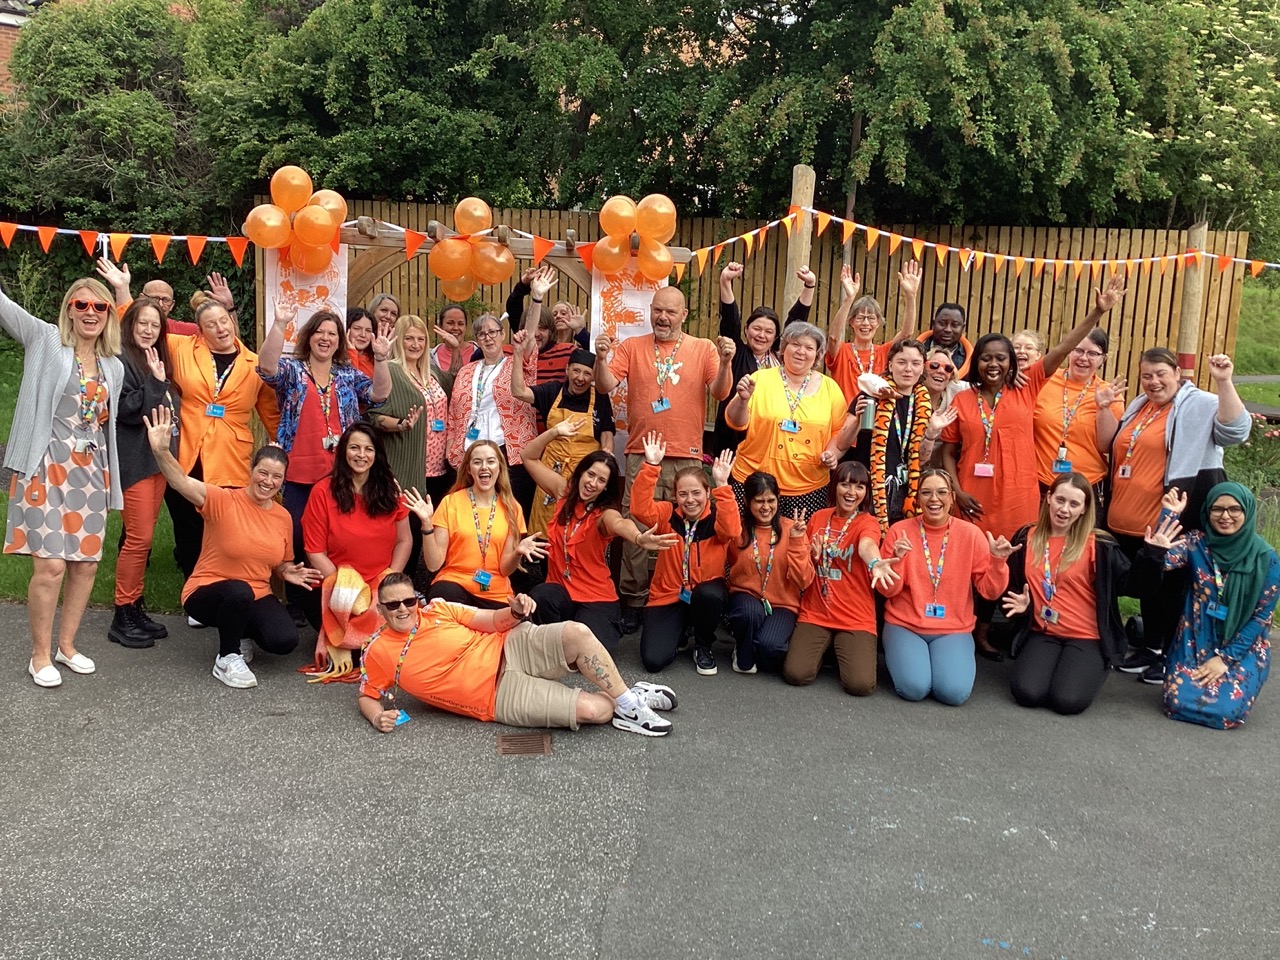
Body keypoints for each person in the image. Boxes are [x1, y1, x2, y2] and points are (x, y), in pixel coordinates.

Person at [940, 275, 1127, 659]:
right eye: (986, 358)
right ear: (976, 363)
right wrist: (957, 492)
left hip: (1019, 498)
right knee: (974, 563)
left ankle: (1011, 631)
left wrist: (1097, 312)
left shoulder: (1028, 387)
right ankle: (966, 629)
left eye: (1001, 357)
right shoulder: (962, 399)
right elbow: (947, 451)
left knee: (1016, 563)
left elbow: (1064, 348)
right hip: (973, 498)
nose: (993, 364)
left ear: (1012, 362)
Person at [357, 572, 677, 736]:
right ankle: (630, 697)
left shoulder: (438, 609)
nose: (403, 609)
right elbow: (367, 696)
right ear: (380, 609)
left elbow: (490, 621)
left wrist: (514, 611)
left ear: (417, 600)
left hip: (509, 646)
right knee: (594, 711)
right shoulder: (377, 651)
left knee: (577, 633)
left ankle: (629, 704)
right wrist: (376, 717)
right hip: (497, 697)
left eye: (409, 601)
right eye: (393, 604)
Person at [143, 406, 322, 689]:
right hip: (208, 590)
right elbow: (180, 482)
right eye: (263, 473)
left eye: (276, 477)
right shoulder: (223, 500)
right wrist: (161, 451)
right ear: (251, 471)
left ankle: (239, 632)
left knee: (284, 641)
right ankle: (227, 657)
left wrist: (286, 571)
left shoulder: (283, 517)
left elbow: (281, 562)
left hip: (255, 593)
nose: (268, 481)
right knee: (239, 591)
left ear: (283, 480)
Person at [1, 279, 123, 687]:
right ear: (69, 309)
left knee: (85, 565)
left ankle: (66, 646)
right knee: (51, 565)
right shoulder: (46, 340)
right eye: (81, 304)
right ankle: (39, 655)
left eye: (99, 307)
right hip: (45, 465)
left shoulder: (113, 366)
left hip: (90, 472)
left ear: (108, 315)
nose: (90, 312)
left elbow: (103, 422)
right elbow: (6, 309)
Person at [593, 286, 735, 632]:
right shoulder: (632, 346)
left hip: (687, 456)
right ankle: (634, 602)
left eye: (671, 312)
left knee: (687, 530)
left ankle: (682, 597)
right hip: (643, 453)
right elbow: (606, 384)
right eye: (657, 310)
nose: (663, 317)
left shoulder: (702, 348)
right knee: (637, 529)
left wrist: (726, 361)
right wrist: (600, 358)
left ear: (683, 315)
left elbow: (720, 392)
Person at [1108, 349, 1251, 684]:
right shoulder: (1140, 406)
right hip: (1133, 518)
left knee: (1172, 587)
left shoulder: (1199, 403)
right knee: (1151, 586)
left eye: (1161, 374)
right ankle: (1151, 648)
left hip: (1174, 515)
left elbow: (1236, 431)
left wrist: (1224, 382)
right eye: (1147, 375)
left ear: (1176, 373)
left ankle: (1172, 656)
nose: (1154, 382)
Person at [257, 303, 393, 616]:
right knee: (296, 538)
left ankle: (334, 598)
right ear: (309, 336)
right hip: (298, 472)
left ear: (339, 341)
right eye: (320, 332)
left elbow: (379, 394)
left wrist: (381, 358)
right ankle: (298, 601)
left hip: (340, 474)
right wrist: (279, 324)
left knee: (333, 538)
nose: (326, 338)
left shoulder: (347, 374)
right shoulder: (293, 370)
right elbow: (267, 368)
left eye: (332, 334)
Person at [518, 421, 678, 651]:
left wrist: (638, 538)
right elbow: (528, 457)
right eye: (590, 474)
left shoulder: (604, 514)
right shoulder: (563, 491)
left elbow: (620, 524)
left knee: (589, 650)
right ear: (581, 472)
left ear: (605, 487)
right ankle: (555, 643)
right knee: (542, 595)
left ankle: (569, 640)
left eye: (601, 480)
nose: (592, 483)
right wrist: (554, 432)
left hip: (596, 597)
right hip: (561, 593)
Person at [161, 298, 280, 581]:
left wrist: (284, 449)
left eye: (224, 321)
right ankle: (194, 588)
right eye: (211, 325)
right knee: (188, 528)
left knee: (225, 528)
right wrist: (122, 292)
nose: (220, 328)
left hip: (230, 456)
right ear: (200, 331)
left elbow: (271, 414)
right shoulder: (181, 347)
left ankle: (225, 583)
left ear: (232, 321)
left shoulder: (255, 364)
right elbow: (141, 327)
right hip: (187, 453)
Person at [877, 469, 1017, 705]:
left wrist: (998, 562)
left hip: (954, 628)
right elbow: (887, 591)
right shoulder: (899, 531)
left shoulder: (971, 534)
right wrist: (898, 560)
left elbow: (989, 591)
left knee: (953, 693)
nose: (934, 499)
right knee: (914, 688)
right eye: (926, 493)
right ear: (917, 499)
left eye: (942, 492)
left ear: (952, 497)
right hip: (905, 624)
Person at [1143, 485, 1277, 729]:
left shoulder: (1266, 557)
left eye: (1234, 509)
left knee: (1226, 711)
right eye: (1217, 509)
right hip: (1195, 634)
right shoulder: (1196, 544)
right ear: (1208, 511)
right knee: (1177, 703)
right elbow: (1163, 559)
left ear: (1247, 512)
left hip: (1241, 643)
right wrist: (1169, 514)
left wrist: (1225, 659)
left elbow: (1262, 617)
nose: (1225, 516)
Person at [1000, 472, 1132, 715]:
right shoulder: (1026, 537)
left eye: (1074, 504)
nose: (1064, 509)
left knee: (1066, 701)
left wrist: (1153, 555)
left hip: (1087, 636)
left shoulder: (1099, 545)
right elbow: (1009, 591)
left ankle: (1094, 664)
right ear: (1049, 498)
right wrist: (1023, 607)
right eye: (1060, 500)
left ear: (1084, 509)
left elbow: (1133, 586)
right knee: (1027, 693)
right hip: (1043, 631)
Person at [302, 423, 410, 671]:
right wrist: (347, 591)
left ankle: (360, 632)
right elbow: (315, 551)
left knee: (381, 652)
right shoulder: (322, 492)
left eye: (368, 449)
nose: (361, 455)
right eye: (354, 448)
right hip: (335, 585)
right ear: (343, 451)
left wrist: (389, 580)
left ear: (377, 454)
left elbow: (404, 540)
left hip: (380, 583)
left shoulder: (390, 490)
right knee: (364, 651)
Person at [630, 437, 739, 675]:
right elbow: (639, 509)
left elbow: (732, 531)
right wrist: (651, 466)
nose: (690, 500)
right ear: (675, 496)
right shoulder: (668, 514)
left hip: (705, 595)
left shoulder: (717, 517)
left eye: (696, 493)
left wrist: (723, 485)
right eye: (683, 494)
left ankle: (703, 644)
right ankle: (680, 631)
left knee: (710, 594)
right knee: (653, 661)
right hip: (669, 595)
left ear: (707, 492)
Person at [822, 339, 957, 531]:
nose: (908, 369)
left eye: (915, 363)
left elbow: (921, 459)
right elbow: (842, 444)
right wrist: (858, 420)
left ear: (922, 368)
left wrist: (931, 434)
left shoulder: (923, 405)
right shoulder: (871, 395)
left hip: (904, 492)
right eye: (902, 362)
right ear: (891, 365)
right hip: (868, 489)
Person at [108, 297, 181, 648]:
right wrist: (155, 382)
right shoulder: (120, 360)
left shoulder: (157, 357)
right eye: (143, 323)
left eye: (155, 325)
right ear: (130, 325)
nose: (149, 330)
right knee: (138, 538)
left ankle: (135, 605)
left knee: (145, 537)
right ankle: (122, 612)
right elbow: (125, 409)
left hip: (157, 462)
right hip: (134, 461)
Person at [784, 462, 892, 695]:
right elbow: (803, 572)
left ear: (866, 492)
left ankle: (840, 648)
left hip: (855, 617)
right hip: (816, 612)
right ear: (835, 487)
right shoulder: (818, 518)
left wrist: (874, 562)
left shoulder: (868, 522)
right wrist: (808, 553)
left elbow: (866, 545)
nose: (852, 492)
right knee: (796, 674)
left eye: (859, 487)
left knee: (860, 685)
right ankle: (828, 650)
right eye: (845, 484)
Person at [723, 322, 847, 517]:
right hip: (755, 481)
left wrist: (831, 454)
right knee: (746, 535)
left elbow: (840, 433)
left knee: (799, 536)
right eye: (795, 344)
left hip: (807, 487)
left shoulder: (830, 388)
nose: (801, 352)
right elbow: (736, 422)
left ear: (817, 355)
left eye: (809, 348)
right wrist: (742, 400)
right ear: (783, 348)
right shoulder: (760, 379)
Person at [368, 313, 457, 575]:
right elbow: (373, 415)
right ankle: (397, 582)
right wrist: (401, 425)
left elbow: (457, 381)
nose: (416, 344)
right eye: (409, 338)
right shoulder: (391, 370)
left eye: (421, 339)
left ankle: (427, 584)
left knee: (432, 530)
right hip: (408, 467)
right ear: (399, 341)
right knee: (406, 532)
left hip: (439, 469)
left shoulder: (433, 374)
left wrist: (454, 349)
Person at [419, 440, 544, 609]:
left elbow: (505, 570)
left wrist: (517, 553)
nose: (484, 467)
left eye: (491, 461)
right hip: (455, 584)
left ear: (499, 467)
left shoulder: (513, 508)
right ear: (469, 469)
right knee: (443, 594)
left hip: (495, 592)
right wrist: (427, 525)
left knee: (518, 616)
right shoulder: (450, 502)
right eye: (477, 462)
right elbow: (433, 564)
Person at [711, 261, 815, 453]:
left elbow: (796, 321)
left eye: (768, 331)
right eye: (756, 329)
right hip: (734, 436)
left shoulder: (781, 356)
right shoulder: (737, 353)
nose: (761, 335)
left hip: (772, 435)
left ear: (776, 337)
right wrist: (725, 281)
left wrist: (809, 285)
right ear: (746, 330)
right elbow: (730, 319)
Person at [512, 345, 615, 535]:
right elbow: (519, 392)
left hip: (584, 474)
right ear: (567, 370)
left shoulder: (600, 397)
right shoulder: (552, 391)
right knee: (546, 527)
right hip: (551, 471)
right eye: (576, 370)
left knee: (578, 529)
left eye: (587, 373)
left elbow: (607, 433)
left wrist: (607, 452)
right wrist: (518, 355)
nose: (580, 378)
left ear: (593, 377)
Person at [445, 316, 540, 514]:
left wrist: (537, 300)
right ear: (477, 340)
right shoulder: (466, 371)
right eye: (481, 334)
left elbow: (530, 336)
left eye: (492, 332)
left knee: (510, 513)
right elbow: (453, 415)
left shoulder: (518, 362)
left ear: (502, 334)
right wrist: (451, 449)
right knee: (472, 512)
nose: (487, 338)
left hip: (509, 452)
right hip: (470, 451)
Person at [726, 471, 814, 675]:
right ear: (747, 502)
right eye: (759, 501)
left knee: (770, 648)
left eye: (771, 500)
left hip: (783, 603)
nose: (765, 507)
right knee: (749, 617)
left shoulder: (793, 529)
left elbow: (804, 581)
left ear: (778, 499)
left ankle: (755, 642)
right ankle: (743, 647)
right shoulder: (739, 528)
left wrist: (796, 542)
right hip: (746, 597)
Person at [1032, 327, 1126, 515]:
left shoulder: (1109, 394)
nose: (1084, 358)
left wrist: (1104, 408)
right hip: (1041, 485)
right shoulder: (1044, 380)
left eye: (1093, 353)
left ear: (1103, 359)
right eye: (1078, 350)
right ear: (1069, 351)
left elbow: (1106, 446)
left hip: (1087, 487)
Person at [825, 261, 921, 404]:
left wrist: (911, 295)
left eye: (871, 318)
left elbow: (907, 333)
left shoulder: (884, 352)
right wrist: (849, 299)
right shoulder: (842, 351)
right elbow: (833, 337)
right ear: (851, 322)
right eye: (860, 318)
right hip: (845, 416)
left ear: (878, 323)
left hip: (879, 416)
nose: (865, 323)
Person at [916, 303, 974, 379]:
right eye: (942, 323)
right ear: (933, 324)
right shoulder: (917, 352)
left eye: (954, 325)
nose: (948, 329)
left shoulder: (971, 361)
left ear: (962, 328)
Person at [430, 302, 476, 373]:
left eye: (460, 324)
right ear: (441, 326)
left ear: (466, 327)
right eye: (450, 323)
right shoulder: (431, 357)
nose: (456, 328)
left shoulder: (480, 353)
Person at [345, 307, 376, 379]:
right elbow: (350, 382)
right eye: (357, 328)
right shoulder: (334, 358)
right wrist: (351, 353)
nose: (363, 335)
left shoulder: (375, 360)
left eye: (368, 330)